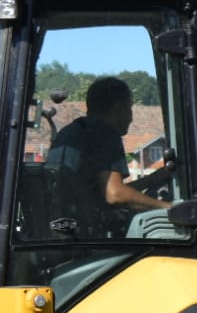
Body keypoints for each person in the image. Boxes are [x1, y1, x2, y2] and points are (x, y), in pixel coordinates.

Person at [46, 76, 170, 234]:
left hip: (62, 229)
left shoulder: (69, 132)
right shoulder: (104, 133)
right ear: (119, 107)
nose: (131, 117)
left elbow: (103, 191)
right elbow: (115, 195)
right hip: (87, 235)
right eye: (130, 107)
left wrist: (150, 180)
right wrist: (169, 208)